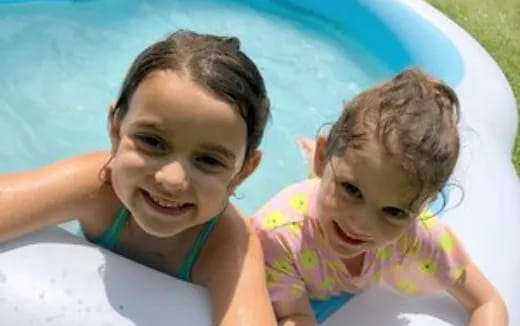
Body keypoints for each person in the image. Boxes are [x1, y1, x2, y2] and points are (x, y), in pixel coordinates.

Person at [0, 30, 276, 326]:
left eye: (208, 160)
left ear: (243, 173)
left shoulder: (226, 242)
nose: (171, 179)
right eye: (152, 142)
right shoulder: (98, 187)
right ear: (117, 129)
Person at [252, 69, 507, 325]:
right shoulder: (280, 236)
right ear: (324, 157)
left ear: (421, 207)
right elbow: (294, 315)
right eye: (351, 190)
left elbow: (487, 302)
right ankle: (311, 158)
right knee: (315, 185)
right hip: (305, 205)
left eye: (394, 212)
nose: (362, 224)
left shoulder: (416, 234)